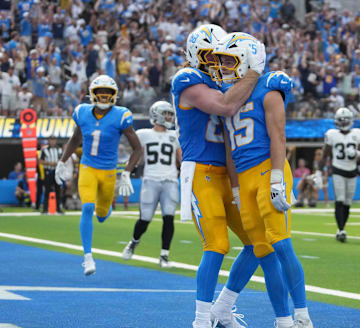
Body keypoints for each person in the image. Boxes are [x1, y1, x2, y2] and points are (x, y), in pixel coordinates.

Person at [211, 33, 313, 328]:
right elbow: (230, 147)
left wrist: (279, 178)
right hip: (244, 177)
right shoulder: (227, 96)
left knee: (281, 244)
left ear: (249, 60)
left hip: (269, 170)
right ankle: (283, 320)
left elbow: (278, 134)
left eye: (230, 60)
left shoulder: (269, 86)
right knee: (263, 252)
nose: (225, 67)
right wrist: (235, 188)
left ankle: (303, 316)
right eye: (222, 61)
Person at [172, 24, 264, 328]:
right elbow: (225, 107)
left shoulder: (224, 81)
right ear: (195, 54)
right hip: (201, 171)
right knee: (217, 244)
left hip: (228, 174)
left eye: (222, 57)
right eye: (210, 55)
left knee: (257, 241)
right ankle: (200, 320)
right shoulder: (187, 79)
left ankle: (223, 308)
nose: (216, 63)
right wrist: (254, 72)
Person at [55, 74, 142, 276]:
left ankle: (103, 214)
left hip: (109, 171)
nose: (103, 97)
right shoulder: (82, 112)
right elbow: (75, 137)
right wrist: (63, 160)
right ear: (92, 94)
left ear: (114, 95)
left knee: (102, 215)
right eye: (100, 93)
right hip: (88, 168)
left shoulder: (121, 115)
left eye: (107, 93)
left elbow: (137, 149)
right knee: (87, 207)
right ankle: (88, 257)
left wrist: (127, 172)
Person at [122, 101, 181, 268]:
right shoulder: (143, 134)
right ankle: (134, 242)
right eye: (166, 113)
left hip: (170, 180)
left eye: (170, 114)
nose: (169, 117)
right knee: (145, 218)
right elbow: (136, 154)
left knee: (169, 217)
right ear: (156, 114)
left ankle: (164, 255)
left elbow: (180, 158)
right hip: (150, 180)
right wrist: (128, 170)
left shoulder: (174, 135)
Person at [319, 107, 360, 243]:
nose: (343, 123)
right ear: (336, 121)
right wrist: (319, 171)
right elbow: (325, 154)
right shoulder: (332, 134)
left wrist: (357, 154)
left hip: (352, 170)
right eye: (341, 120)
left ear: (351, 120)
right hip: (338, 170)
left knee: (348, 202)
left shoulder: (357, 133)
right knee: (340, 199)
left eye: (345, 120)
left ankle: (341, 229)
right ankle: (341, 229)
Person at [39, 136, 62, 214]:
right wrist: (50, 163)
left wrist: (58, 164)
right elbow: (40, 161)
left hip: (57, 172)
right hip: (48, 171)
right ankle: (45, 209)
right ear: (49, 140)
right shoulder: (44, 150)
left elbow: (62, 159)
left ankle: (58, 209)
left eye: (54, 140)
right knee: (47, 191)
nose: (53, 141)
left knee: (58, 190)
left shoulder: (59, 149)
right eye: (51, 140)